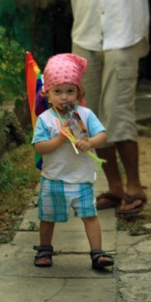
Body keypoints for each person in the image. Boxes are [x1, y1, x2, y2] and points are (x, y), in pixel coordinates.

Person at [48, 0, 151, 214]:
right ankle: (115, 187)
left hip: (125, 30)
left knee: (118, 110)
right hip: (86, 33)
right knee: (89, 117)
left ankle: (135, 187)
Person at [31, 53, 113, 270]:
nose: (64, 97)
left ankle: (97, 253)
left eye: (70, 91)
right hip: (54, 179)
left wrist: (90, 142)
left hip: (81, 180)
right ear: (47, 94)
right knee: (48, 217)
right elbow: (39, 147)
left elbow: (103, 135)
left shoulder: (85, 115)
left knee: (90, 216)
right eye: (57, 92)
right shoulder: (45, 120)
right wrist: (59, 139)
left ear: (79, 92)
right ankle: (45, 248)